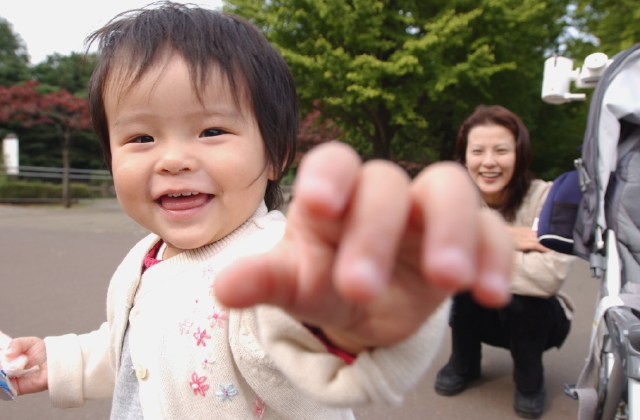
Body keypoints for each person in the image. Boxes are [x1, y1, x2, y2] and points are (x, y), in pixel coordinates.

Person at [3, 4, 512, 419]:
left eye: (211, 131)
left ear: (275, 154)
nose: (174, 158)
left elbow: (296, 333)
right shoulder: (148, 257)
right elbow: (137, 351)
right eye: (141, 137)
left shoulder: (268, 265)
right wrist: (59, 362)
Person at [434, 105, 575, 419]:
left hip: (539, 321)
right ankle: (464, 363)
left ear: (520, 153)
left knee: (526, 297)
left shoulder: (549, 198)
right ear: (464, 158)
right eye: (478, 151)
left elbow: (548, 276)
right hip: (482, 314)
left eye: (501, 150)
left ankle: (529, 380)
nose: (488, 162)